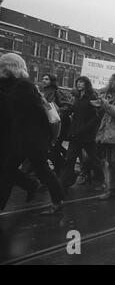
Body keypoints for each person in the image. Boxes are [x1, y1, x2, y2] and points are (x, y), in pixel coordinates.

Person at [0, 53, 64, 214]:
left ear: (9, 67)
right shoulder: (9, 84)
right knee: (7, 171)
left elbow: (35, 113)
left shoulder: (24, 86)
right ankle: (30, 185)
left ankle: (58, 200)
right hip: (15, 137)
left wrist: (48, 138)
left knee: (42, 169)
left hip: (32, 137)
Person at [60, 76, 105, 189]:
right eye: (78, 82)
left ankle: (100, 180)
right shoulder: (76, 96)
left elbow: (96, 116)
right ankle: (66, 181)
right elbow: (74, 109)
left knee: (93, 159)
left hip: (87, 135)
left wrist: (86, 128)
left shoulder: (92, 96)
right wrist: (62, 110)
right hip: (75, 133)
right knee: (70, 158)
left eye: (81, 82)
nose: (79, 84)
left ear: (86, 84)